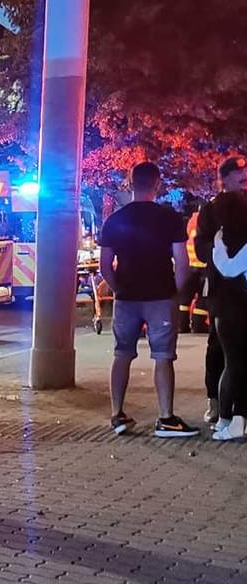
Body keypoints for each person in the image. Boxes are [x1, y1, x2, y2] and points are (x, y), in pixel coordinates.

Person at [98, 161, 198, 437]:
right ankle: (166, 418)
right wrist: (175, 291)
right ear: (157, 184)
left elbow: (105, 265)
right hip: (160, 296)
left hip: (126, 297)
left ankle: (117, 414)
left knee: (122, 354)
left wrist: (118, 288)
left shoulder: (115, 220)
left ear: (130, 183)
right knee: (163, 356)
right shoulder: (169, 218)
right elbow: (182, 262)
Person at [193, 157, 247, 425]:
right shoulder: (210, 210)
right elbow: (201, 247)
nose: (243, 177)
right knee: (217, 345)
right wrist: (221, 254)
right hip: (221, 287)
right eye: (238, 173)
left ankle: (238, 410)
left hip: (243, 286)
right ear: (223, 178)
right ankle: (214, 401)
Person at [206, 190, 247, 439]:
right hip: (238, 308)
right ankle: (233, 419)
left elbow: (228, 268)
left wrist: (217, 246)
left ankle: (228, 419)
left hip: (229, 310)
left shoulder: (224, 238)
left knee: (232, 364)